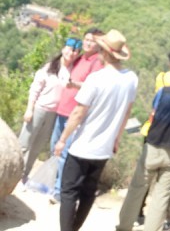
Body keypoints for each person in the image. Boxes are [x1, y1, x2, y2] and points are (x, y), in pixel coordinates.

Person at [53, 29, 137, 231]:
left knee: (68, 192)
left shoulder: (96, 79)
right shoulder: (131, 78)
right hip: (104, 148)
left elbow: (78, 113)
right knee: (88, 193)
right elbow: (127, 112)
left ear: (105, 53)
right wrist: (116, 139)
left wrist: (62, 139)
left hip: (82, 146)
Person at [116, 54, 170, 231]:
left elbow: (154, 113)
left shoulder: (164, 91)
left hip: (153, 146)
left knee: (137, 189)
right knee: (162, 196)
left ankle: (123, 227)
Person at [49, 26, 104, 203]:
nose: (88, 43)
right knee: (54, 149)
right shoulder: (80, 58)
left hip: (76, 114)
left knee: (64, 152)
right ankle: (52, 184)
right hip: (62, 110)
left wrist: (74, 84)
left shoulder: (97, 63)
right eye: (86, 39)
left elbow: (92, 86)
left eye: (92, 41)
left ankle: (60, 191)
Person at [17, 37, 81, 184]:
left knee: (37, 146)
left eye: (76, 51)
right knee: (24, 143)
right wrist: (29, 109)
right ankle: (13, 170)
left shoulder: (73, 71)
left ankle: (24, 175)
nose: (72, 53)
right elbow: (35, 89)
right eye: (70, 49)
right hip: (39, 109)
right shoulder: (50, 67)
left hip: (54, 114)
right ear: (64, 49)